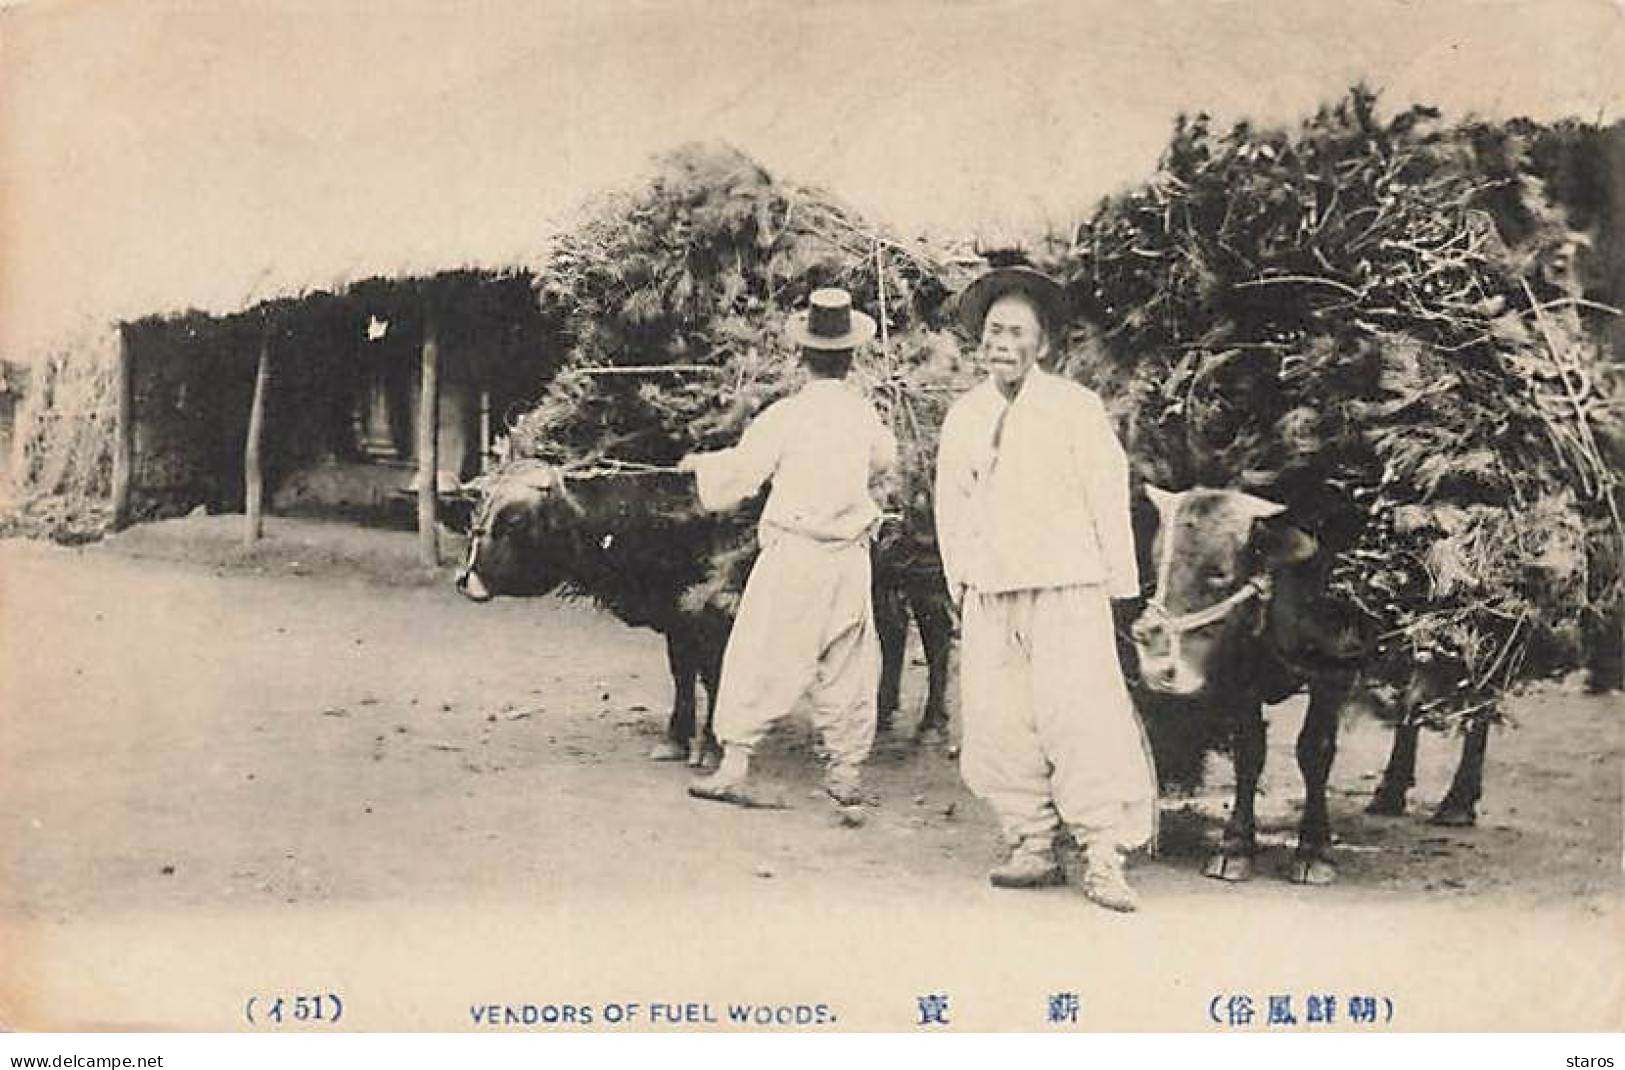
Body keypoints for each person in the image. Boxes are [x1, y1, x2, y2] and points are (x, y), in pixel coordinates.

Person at [934, 265, 1157, 912]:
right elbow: (952, 506)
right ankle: (1030, 841)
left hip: (1066, 587)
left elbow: (1106, 495)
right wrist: (963, 585)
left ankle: (1102, 855)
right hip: (992, 591)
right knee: (1000, 719)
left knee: (1079, 714)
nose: (1000, 343)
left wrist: (1120, 587)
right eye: (992, 331)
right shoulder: (965, 416)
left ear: (1044, 345)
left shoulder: (1074, 409)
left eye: (1015, 332)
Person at [682, 287, 898, 812]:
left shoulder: (786, 416)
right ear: (851, 358)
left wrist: (699, 467)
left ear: (802, 356)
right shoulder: (864, 415)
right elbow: (884, 462)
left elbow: (740, 476)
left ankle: (734, 765)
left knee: (761, 652)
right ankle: (845, 770)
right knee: (847, 660)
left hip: (797, 554)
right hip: (849, 559)